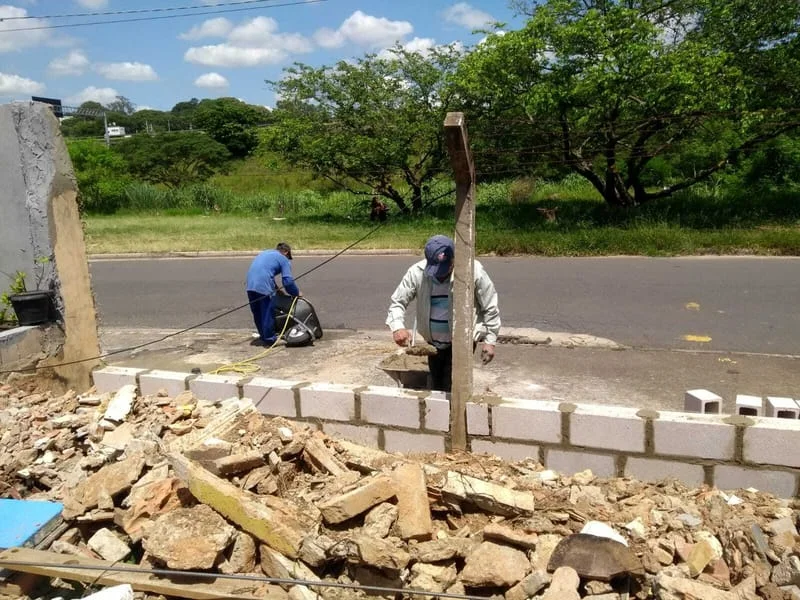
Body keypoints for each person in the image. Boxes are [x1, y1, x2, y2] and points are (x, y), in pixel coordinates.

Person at [386, 234, 501, 392]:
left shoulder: (473, 271)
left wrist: (490, 340)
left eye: (444, 268)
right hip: (433, 344)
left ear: (454, 259)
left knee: (454, 388)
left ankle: (456, 414)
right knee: (437, 385)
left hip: (462, 343)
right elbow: (398, 302)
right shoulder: (417, 272)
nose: (440, 274)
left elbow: (490, 306)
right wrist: (398, 327)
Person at [246, 242, 301, 346]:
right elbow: (288, 281)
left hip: (250, 285)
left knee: (258, 312)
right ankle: (270, 340)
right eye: (288, 257)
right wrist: (296, 293)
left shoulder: (266, 253)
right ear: (286, 252)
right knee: (267, 312)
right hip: (263, 285)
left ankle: (264, 337)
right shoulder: (283, 258)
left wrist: (277, 289)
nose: (288, 259)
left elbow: (265, 272)